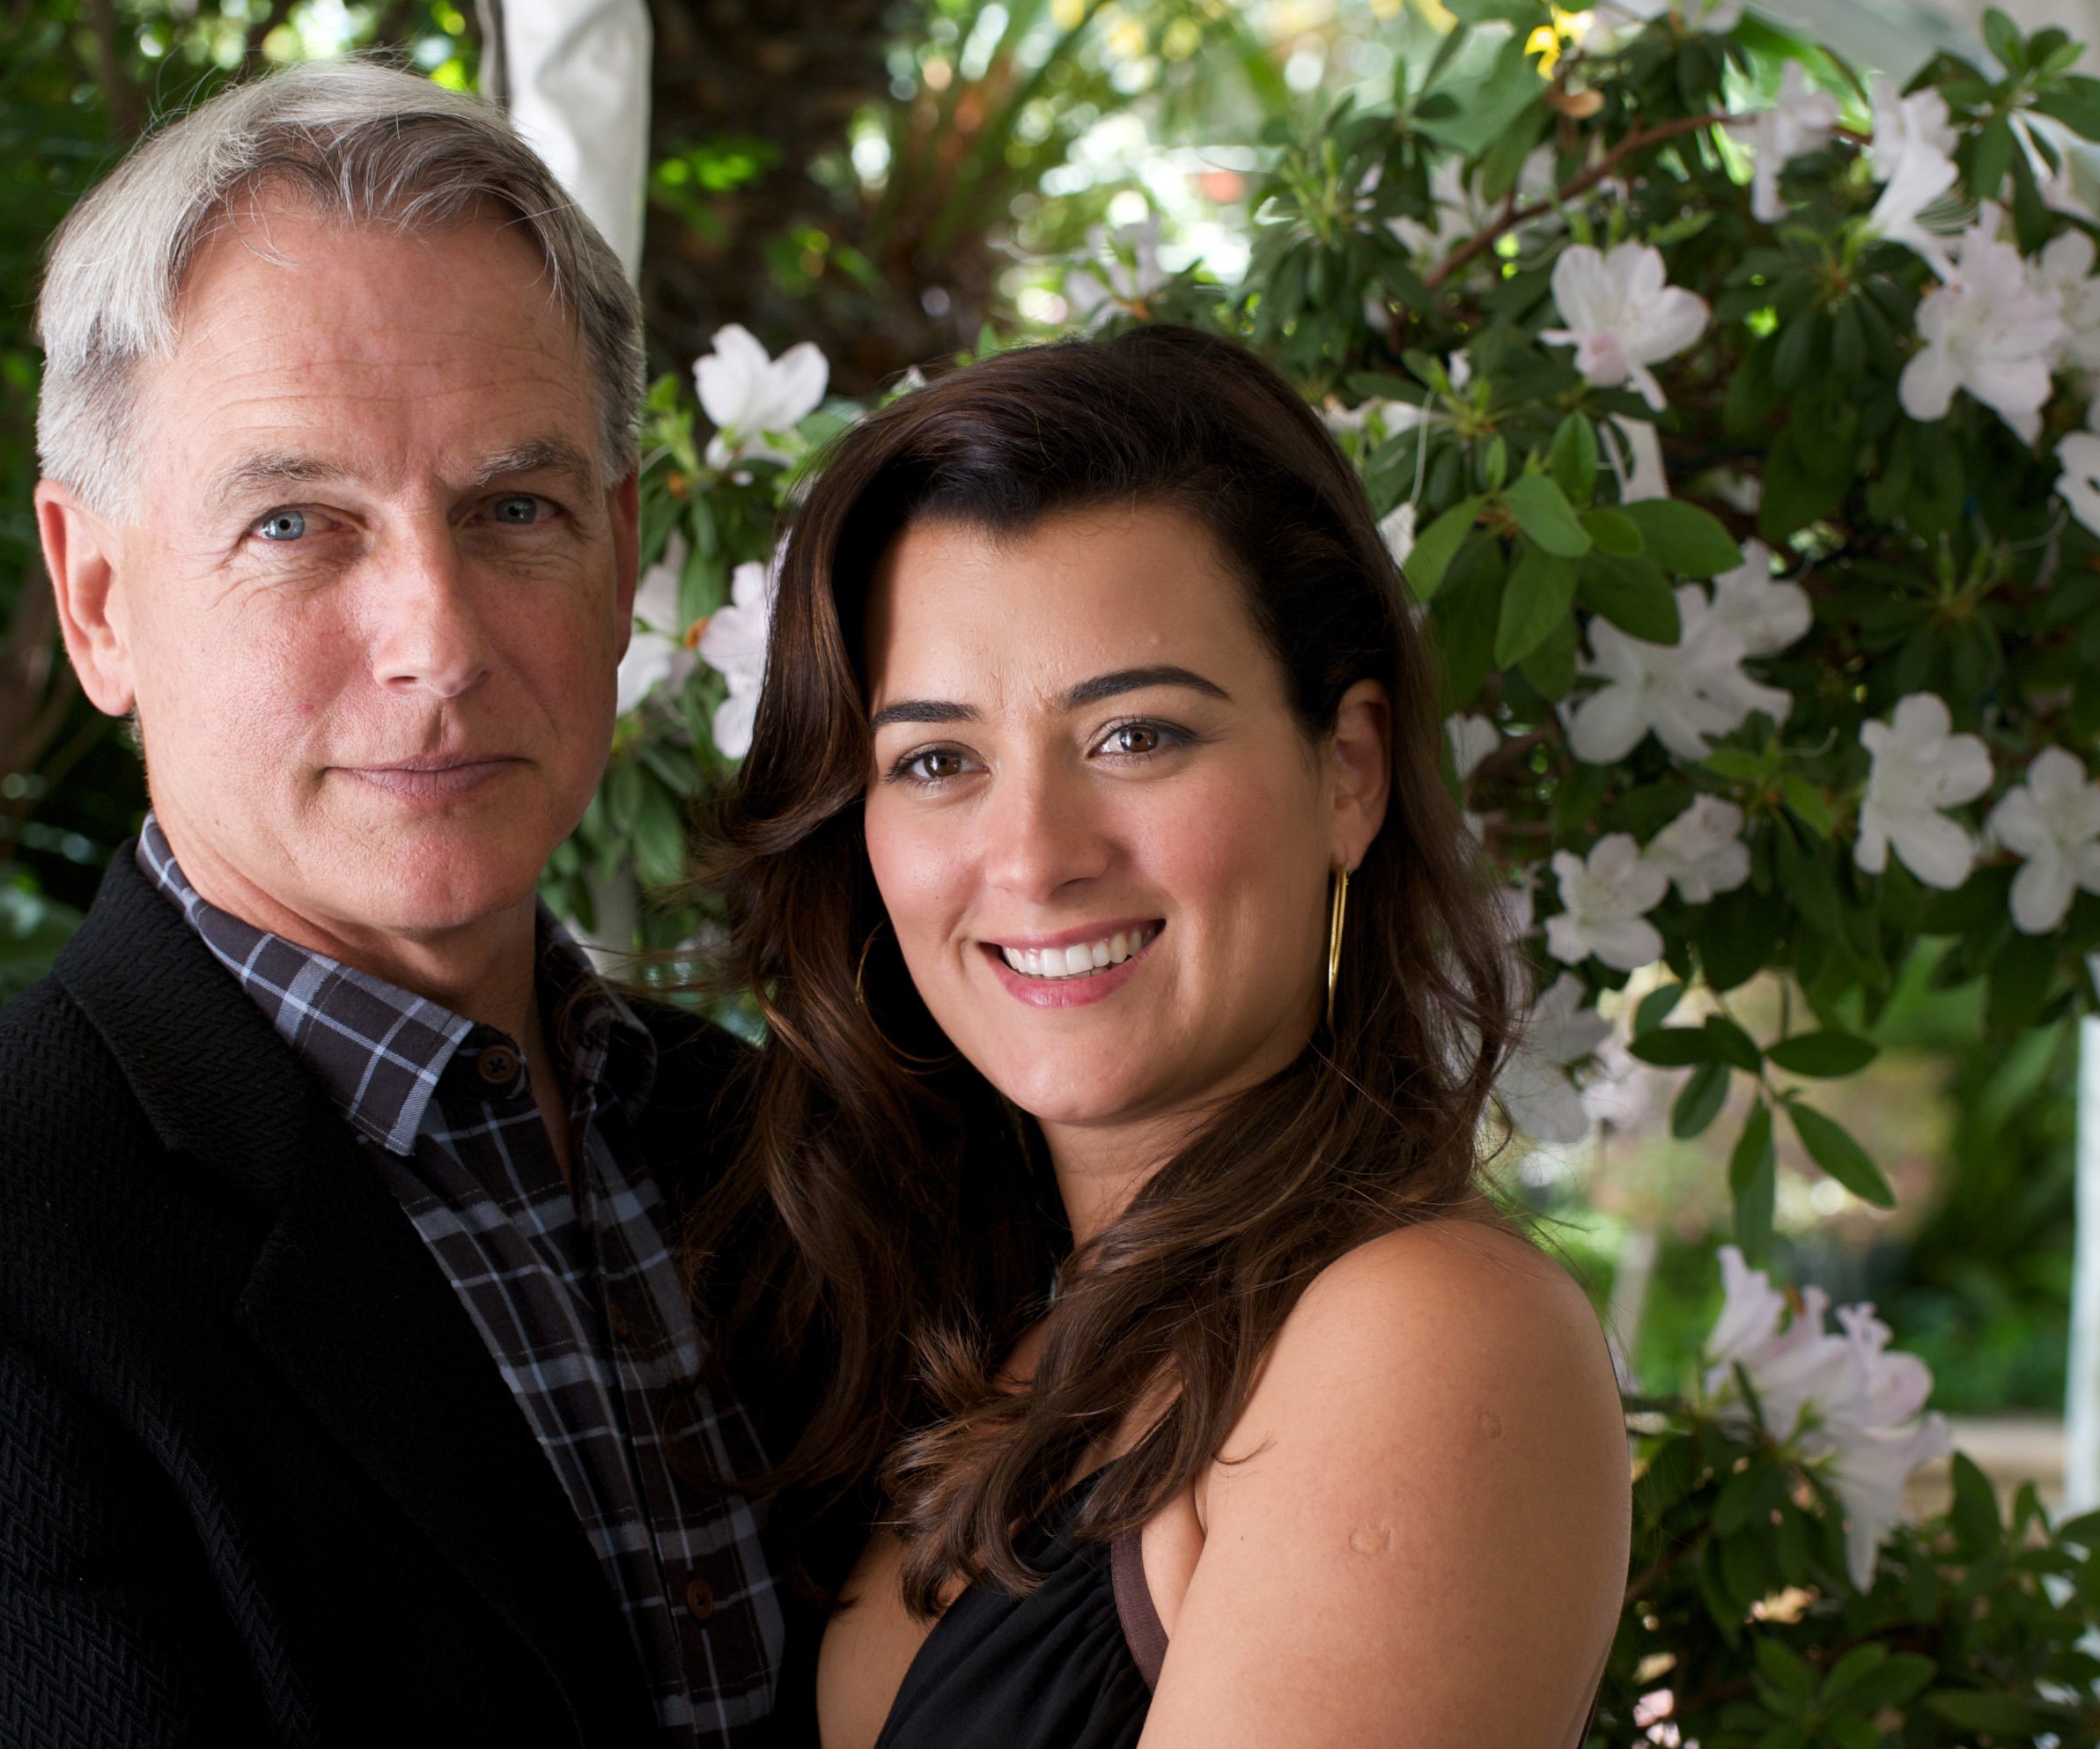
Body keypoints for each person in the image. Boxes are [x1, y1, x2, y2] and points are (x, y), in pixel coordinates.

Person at [0, 62, 816, 1746]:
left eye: (512, 510)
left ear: (618, 556)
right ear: (96, 602)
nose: (437, 641)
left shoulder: (778, 1149)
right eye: (298, 523)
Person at [696, 326, 1632, 1749]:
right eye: (938, 760)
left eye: (1135, 735)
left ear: (1350, 770)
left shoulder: (1425, 1334)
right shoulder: (976, 1317)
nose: (1033, 856)